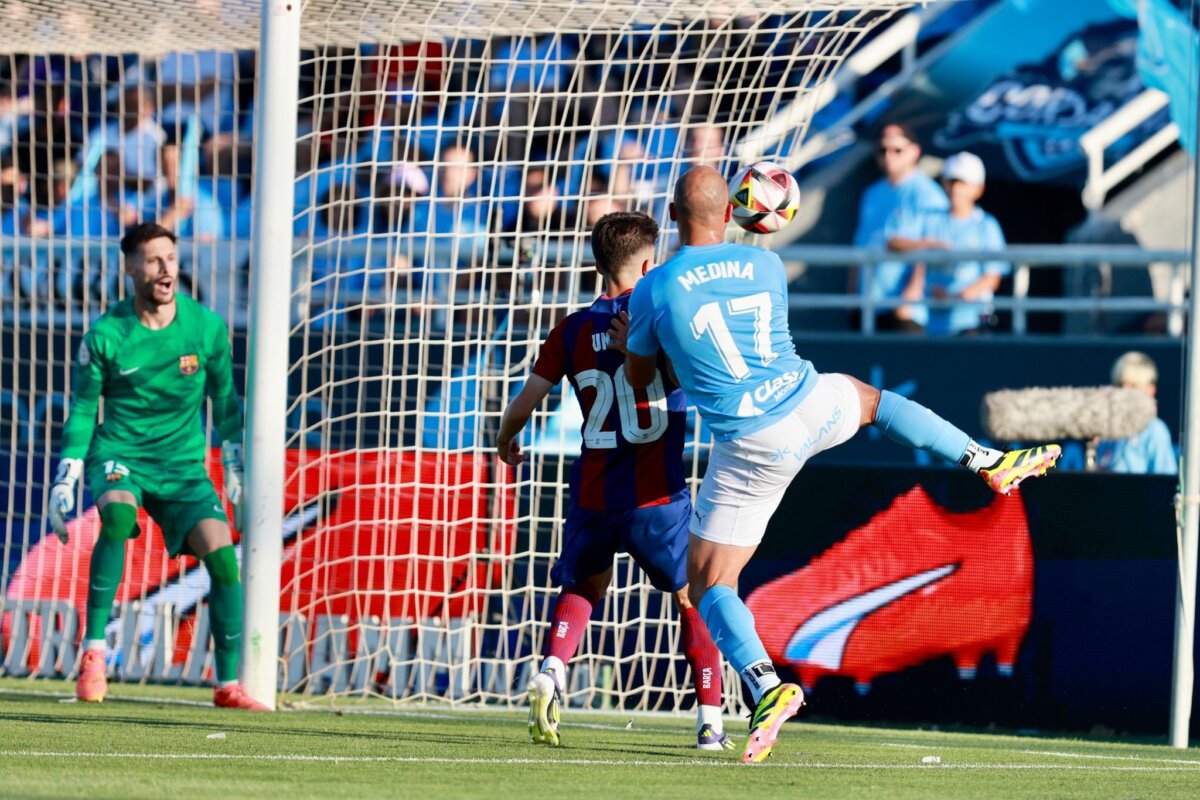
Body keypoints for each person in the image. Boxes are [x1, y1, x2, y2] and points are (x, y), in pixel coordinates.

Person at [614, 167, 1060, 763]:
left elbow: (642, 377)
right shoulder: (767, 265)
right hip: (809, 403)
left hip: (753, 442)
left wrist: (631, 344)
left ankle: (765, 687)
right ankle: (986, 460)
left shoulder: (654, 288)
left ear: (671, 216)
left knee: (708, 583)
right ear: (731, 216)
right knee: (874, 402)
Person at [496, 211, 732, 752]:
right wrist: (637, 354)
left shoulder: (572, 328)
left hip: (595, 492)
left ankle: (553, 670)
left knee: (582, 586)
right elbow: (700, 380)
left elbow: (525, 403)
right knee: (695, 597)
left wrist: (505, 439)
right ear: (649, 264)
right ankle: (710, 722)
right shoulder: (664, 318)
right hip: (658, 496)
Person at [44, 223, 267, 711]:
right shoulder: (106, 334)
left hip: (183, 465)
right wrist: (67, 477)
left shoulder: (205, 327)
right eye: (153, 259)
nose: (166, 268)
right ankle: (94, 652)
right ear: (130, 268)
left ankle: (226, 685)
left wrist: (233, 464)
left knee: (223, 555)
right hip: (120, 454)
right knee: (119, 518)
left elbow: (225, 401)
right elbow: (84, 410)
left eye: (171, 257)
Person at [886, 152, 1009, 336]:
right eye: (951, 182)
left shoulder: (986, 225)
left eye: (962, 182)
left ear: (978, 189)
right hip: (929, 319)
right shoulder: (929, 218)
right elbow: (894, 241)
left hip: (970, 320)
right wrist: (927, 245)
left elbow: (992, 278)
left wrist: (954, 298)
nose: (956, 189)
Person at [852, 122, 948, 332]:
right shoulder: (872, 193)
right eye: (882, 150)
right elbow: (860, 247)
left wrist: (911, 295)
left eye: (897, 150)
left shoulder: (928, 194)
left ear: (915, 151)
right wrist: (852, 297)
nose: (889, 156)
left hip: (905, 308)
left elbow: (936, 248)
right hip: (868, 303)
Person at [1095, 351, 1176, 474]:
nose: (1123, 392)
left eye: (1133, 386)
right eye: (1120, 385)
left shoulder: (1156, 431)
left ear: (1150, 390)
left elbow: (1165, 483)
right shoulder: (1107, 429)